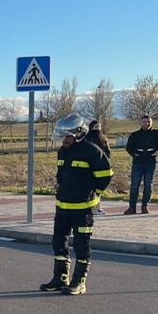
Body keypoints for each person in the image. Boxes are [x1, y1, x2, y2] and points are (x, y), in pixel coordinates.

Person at [39, 113, 112, 295]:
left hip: (83, 209)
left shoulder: (92, 151)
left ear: (78, 133)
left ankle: (79, 281)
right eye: (62, 136)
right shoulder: (62, 151)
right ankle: (60, 278)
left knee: (81, 244)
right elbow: (62, 174)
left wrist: (94, 194)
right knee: (58, 242)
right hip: (62, 207)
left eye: (67, 136)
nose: (64, 140)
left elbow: (105, 176)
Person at [124, 115, 158, 214]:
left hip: (151, 162)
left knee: (148, 185)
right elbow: (129, 147)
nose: (146, 124)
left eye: (148, 122)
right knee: (134, 185)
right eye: (144, 122)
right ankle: (132, 207)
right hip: (138, 162)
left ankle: (145, 206)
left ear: (151, 122)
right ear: (141, 123)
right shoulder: (134, 135)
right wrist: (135, 155)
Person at [87, 121, 111, 214]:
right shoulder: (88, 138)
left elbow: (107, 150)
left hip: (102, 167)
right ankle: (91, 208)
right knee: (91, 188)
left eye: (99, 126)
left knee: (99, 188)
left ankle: (97, 207)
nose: (98, 128)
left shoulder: (103, 138)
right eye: (96, 126)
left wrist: (107, 160)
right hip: (90, 167)